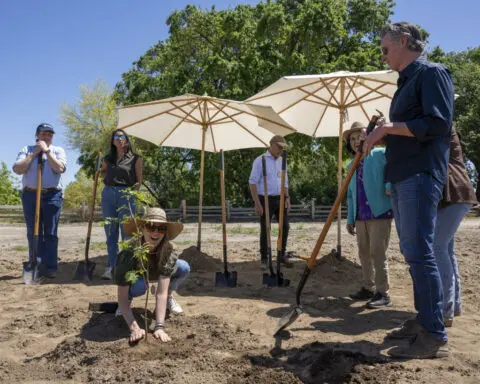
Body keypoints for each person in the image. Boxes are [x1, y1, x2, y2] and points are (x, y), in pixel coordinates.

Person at [364, 22, 454, 359]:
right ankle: (423, 321)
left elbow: (438, 124)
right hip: (402, 175)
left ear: (404, 42)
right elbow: (410, 128)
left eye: (385, 48)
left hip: (419, 173)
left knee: (420, 253)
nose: (382, 54)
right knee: (413, 253)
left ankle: (433, 335)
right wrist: (383, 133)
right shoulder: (405, 83)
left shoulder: (432, 73)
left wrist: (388, 127)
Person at [114, 207, 190, 343]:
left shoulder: (168, 251)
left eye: (161, 228)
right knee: (139, 285)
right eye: (151, 226)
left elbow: (161, 293)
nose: (156, 232)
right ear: (142, 228)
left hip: (157, 273)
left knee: (183, 267)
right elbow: (121, 293)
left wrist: (159, 327)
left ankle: (170, 297)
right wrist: (134, 327)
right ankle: (127, 304)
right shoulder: (129, 254)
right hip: (137, 278)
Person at [344, 122, 393, 308]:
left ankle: (383, 292)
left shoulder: (381, 154)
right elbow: (349, 195)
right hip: (360, 215)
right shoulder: (351, 164)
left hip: (379, 212)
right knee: (363, 253)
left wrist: (389, 186)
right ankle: (368, 287)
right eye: (352, 139)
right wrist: (350, 219)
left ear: (369, 136)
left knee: (377, 252)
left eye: (359, 136)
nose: (357, 141)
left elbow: (394, 168)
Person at [434, 129, 477, 327]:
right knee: (447, 249)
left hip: (455, 194)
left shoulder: (442, 129)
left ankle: (445, 310)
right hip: (459, 193)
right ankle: (455, 305)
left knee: (437, 247)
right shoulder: (448, 130)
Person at [12, 123, 67, 278]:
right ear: (37, 135)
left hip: (52, 195)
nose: (46, 136)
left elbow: (60, 168)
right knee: (33, 232)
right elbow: (17, 169)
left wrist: (47, 152)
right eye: (43, 134)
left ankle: (50, 267)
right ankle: (36, 263)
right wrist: (34, 153)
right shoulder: (26, 150)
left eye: (49, 134)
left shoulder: (58, 151)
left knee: (50, 233)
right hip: (30, 194)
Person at [101, 129, 143, 280]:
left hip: (126, 195)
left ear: (127, 139)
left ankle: (127, 266)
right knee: (110, 232)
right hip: (108, 195)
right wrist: (101, 173)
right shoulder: (108, 158)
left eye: (122, 136)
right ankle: (111, 266)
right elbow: (103, 173)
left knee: (127, 232)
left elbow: (139, 180)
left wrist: (132, 194)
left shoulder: (136, 158)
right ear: (112, 141)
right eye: (116, 137)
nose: (119, 139)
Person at [249, 135, 292, 270]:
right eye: (279, 146)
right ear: (271, 144)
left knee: (285, 226)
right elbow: (252, 182)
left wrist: (287, 198)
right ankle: (264, 257)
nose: (280, 149)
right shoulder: (260, 160)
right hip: (264, 198)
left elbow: (285, 181)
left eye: (282, 147)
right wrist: (257, 202)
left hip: (280, 198)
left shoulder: (282, 161)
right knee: (265, 228)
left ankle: (281, 254)